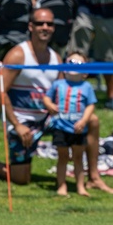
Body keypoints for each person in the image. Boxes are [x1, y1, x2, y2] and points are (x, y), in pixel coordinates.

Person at [0, 8, 61, 185]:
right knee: (21, 179)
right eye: (40, 23)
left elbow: (62, 92)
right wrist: (17, 125)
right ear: (31, 27)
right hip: (22, 121)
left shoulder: (56, 58)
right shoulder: (18, 55)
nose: (45, 27)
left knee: (89, 123)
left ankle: (91, 177)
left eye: (49, 24)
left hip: (47, 120)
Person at [43, 51, 97, 197]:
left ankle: (81, 187)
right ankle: (61, 185)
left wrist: (84, 120)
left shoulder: (87, 87)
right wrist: (50, 106)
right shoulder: (58, 84)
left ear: (85, 72)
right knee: (63, 157)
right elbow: (46, 98)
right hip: (61, 127)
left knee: (78, 158)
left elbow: (91, 105)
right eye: (70, 63)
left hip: (79, 129)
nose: (74, 66)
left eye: (78, 64)